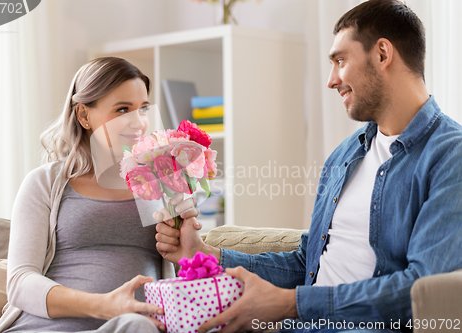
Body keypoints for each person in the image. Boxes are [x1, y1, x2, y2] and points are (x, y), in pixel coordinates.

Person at [155, 0, 462, 332]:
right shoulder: (345, 155)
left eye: (340, 61)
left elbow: (422, 291)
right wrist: (206, 254)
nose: (331, 81)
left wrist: (292, 304)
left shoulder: (450, 156)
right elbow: (306, 264)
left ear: (383, 54)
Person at [0, 57, 200, 333]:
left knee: (137, 326)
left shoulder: (165, 183)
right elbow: (20, 282)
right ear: (84, 116)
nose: (138, 122)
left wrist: (189, 250)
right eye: (122, 109)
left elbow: (191, 283)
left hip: (133, 328)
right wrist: (104, 305)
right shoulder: (44, 182)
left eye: (143, 109)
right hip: (43, 328)